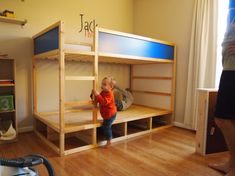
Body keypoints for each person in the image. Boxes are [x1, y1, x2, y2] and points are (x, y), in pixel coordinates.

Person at [209, 14, 235, 176]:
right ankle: (231, 164)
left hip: (233, 73)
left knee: (222, 119)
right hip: (228, 70)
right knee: (230, 119)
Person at [92, 77, 117, 148]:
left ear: (111, 87)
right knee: (105, 124)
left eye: (104, 84)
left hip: (110, 114)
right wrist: (93, 95)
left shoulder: (110, 94)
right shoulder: (103, 92)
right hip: (105, 114)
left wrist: (97, 95)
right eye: (102, 84)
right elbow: (98, 98)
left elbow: (103, 102)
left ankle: (109, 140)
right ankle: (107, 136)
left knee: (106, 126)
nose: (102, 86)